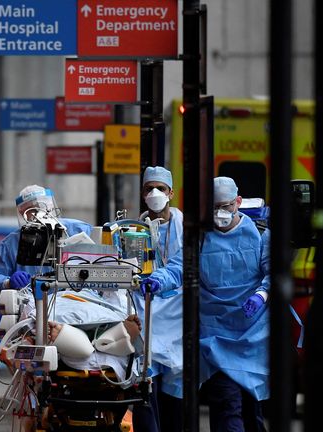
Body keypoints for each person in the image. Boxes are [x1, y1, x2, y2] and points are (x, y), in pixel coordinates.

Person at [198, 177, 270, 432]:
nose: (220, 213)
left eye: (226, 206)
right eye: (214, 207)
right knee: (227, 405)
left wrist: (261, 295)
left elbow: (274, 272)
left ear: (238, 202)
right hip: (215, 336)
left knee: (251, 410)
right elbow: (178, 268)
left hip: (252, 336)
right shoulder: (200, 238)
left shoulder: (260, 234)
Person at [134, 167, 184, 432]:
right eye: (148, 188)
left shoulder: (186, 229)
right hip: (147, 313)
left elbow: (184, 265)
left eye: (160, 188)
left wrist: (161, 280)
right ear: (142, 194)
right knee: (146, 388)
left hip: (178, 316)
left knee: (175, 397)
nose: (154, 193)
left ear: (171, 193)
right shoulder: (130, 232)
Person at [0, 185, 92, 297]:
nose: (40, 214)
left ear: (51, 205)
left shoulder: (78, 230)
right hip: (33, 308)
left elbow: (104, 260)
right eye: (32, 210)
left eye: (43, 206)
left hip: (76, 303)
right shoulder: (12, 244)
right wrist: (7, 282)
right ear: (22, 214)